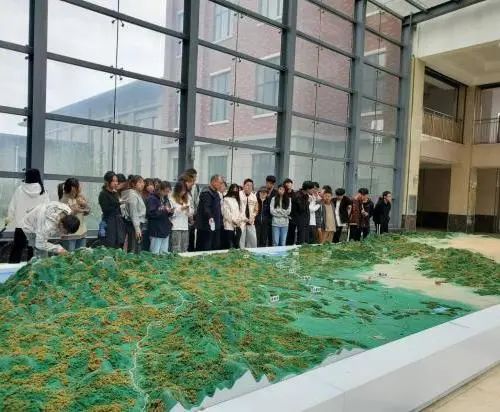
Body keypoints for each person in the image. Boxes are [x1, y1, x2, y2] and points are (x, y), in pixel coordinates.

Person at [6, 168, 50, 263]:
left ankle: (12, 269)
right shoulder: (43, 191)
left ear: (27, 177)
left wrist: (9, 218)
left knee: (17, 249)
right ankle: (31, 270)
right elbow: (47, 209)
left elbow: (12, 206)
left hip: (21, 225)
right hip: (35, 225)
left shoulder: (20, 190)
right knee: (33, 250)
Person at [60, 178, 90, 252]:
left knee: (81, 256)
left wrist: (85, 206)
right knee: (70, 256)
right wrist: (74, 211)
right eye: (79, 186)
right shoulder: (64, 199)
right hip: (69, 235)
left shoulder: (80, 197)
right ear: (73, 188)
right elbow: (62, 219)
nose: (80, 188)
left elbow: (87, 212)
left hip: (82, 233)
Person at [98, 171, 126, 249]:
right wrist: (118, 203)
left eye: (117, 181)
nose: (116, 183)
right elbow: (105, 210)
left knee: (118, 244)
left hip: (118, 221)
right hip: (109, 221)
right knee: (110, 244)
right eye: (113, 181)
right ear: (107, 182)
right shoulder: (103, 194)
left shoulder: (115, 193)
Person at [196, 175, 223, 251]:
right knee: (206, 248)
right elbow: (206, 209)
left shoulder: (217, 194)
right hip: (206, 227)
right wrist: (211, 218)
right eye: (220, 183)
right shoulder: (206, 193)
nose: (221, 185)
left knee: (215, 247)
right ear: (214, 182)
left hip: (216, 226)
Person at [147, 181, 173, 254]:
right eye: (165, 191)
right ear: (160, 190)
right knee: (155, 252)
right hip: (156, 229)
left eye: (168, 192)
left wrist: (170, 211)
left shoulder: (165, 198)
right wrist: (162, 209)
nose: (166, 193)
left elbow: (167, 211)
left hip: (165, 228)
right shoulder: (152, 198)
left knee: (164, 252)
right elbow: (151, 213)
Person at [122, 175, 146, 253]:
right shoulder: (132, 195)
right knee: (134, 247)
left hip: (137, 223)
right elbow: (133, 212)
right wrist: (137, 228)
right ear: (133, 184)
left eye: (143, 182)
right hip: (134, 225)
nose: (142, 184)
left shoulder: (137, 194)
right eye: (140, 182)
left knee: (136, 246)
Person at [169, 181, 193, 253]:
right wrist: (181, 209)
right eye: (181, 190)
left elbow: (190, 213)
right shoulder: (171, 199)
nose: (183, 192)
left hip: (185, 226)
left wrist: (188, 210)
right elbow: (171, 213)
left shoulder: (187, 199)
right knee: (176, 247)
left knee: (184, 246)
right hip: (175, 226)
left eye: (184, 190)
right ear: (177, 190)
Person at [183, 168, 200, 252]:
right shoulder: (183, 186)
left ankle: (190, 250)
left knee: (192, 235)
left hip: (192, 213)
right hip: (185, 215)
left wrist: (194, 215)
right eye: (194, 177)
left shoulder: (196, 186)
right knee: (185, 238)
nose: (195, 179)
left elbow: (196, 201)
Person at [222, 183, 243, 249]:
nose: (235, 191)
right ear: (230, 189)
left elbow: (240, 212)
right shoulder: (226, 199)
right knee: (230, 245)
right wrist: (234, 220)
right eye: (234, 189)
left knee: (237, 245)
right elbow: (226, 213)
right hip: (229, 226)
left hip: (238, 226)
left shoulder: (237, 200)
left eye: (236, 189)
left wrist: (239, 220)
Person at [239, 179, 258, 249]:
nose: (249, 187)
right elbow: (237, 209)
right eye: (247, 185)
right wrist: (244, 218)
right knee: (241, 241)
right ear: (243, 186)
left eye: (251, 186)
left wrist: (252, 217)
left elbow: (256, 209)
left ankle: (251, 253)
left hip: (251, 221)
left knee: (253, 240)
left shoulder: (254, 196)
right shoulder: (239, 194)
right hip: (241, 221)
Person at [283, 178, 297, 245]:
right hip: (284, 217)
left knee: (291, 233)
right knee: (284, 235)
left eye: (289, 183)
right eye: (286, 183)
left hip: (293, 217)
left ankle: (290, 246)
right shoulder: (283, 194)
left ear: (292, 184)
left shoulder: (295, 194)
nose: (288, 184)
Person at [264, 175, 277, 245]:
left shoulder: (276, 193)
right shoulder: (263, 191)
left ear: (273, 184)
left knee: (271, 238)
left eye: (269, 183)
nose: (267, 184)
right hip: (264, 218)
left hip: (272, 218)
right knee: (263, 237)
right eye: (267, 182)